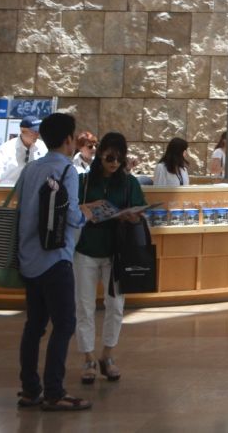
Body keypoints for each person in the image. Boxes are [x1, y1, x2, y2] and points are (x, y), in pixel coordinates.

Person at [15, 112, 89, 412]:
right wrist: (88, 214)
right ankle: (54, 391)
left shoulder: (31, 169)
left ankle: (31, 389)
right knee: (65, 323)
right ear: (69, 139)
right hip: (56, 258)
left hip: (29, 257)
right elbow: (71, 215)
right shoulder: (66, 170)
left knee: (34, 325)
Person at [74, 132, 146, 387]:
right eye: (109, 157)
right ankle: (88, 358)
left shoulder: (129, 184)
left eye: (119, 157)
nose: (114, 162)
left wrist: (132, 216)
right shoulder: (82, 182)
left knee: (115, 305)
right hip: (85, 249)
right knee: (84, 305)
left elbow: (139, 210)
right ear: (100, 154)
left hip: (117, 251)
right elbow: (71, 212)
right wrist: (85, 210)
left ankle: (108, 354)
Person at [0, 117, 48, 185]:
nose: (37, 135)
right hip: (9, 190)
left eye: (39, 131)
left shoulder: (43, 147)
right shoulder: (7, 148)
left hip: (32, 191)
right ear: (23, 131)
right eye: (34, 131)